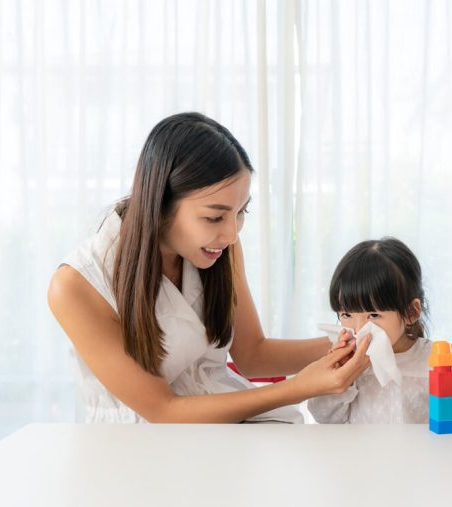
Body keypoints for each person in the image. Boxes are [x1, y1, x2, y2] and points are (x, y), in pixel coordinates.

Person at [48, 112, 370, 423]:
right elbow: (164, 410)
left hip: (225, 433)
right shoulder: (76, 286)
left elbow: (253, 355)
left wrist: (355, 343)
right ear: (159, 205)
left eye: (242, 211)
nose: (232, 234)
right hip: (139, 452)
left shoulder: (220, 247)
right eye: (214, 217)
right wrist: (297, 389)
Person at [307, 238, 452, 430]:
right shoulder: (348, 363)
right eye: (346, 314)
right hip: (362, 457)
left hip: (422, 458)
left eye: (373, 315)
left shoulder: (434, 359)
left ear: (411, 312)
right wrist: (341, 378)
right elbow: (324, 417)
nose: (359, 329)